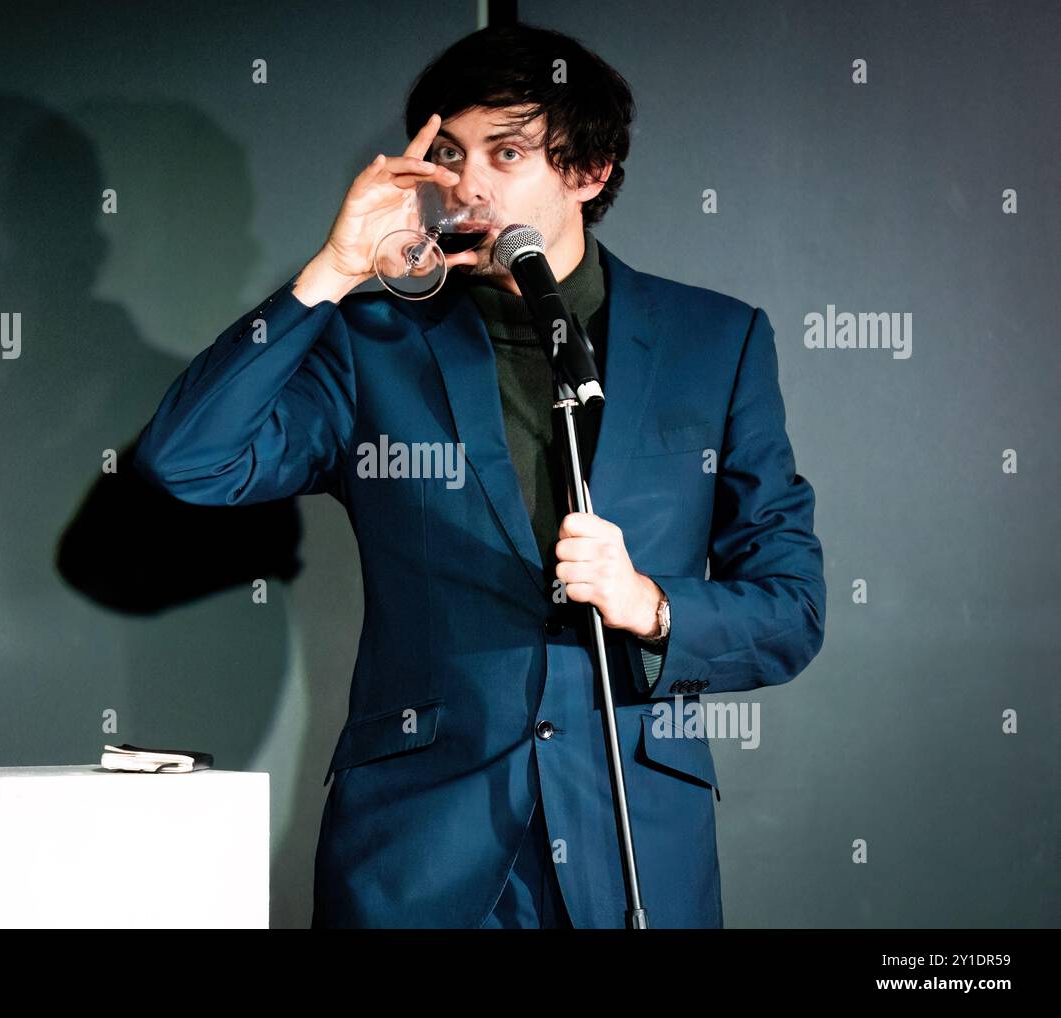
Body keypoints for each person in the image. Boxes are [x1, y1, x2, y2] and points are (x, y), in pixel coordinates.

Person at [133, 23, 826, 929]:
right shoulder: (374, 342)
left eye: (507, 153)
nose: (468, 185)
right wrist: (334, 273)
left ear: (590, 170)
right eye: (450, 153)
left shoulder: (716, 342)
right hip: (417, 848)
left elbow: (791, 608)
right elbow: (188, 460)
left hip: (631, 843)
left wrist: (650, 604)